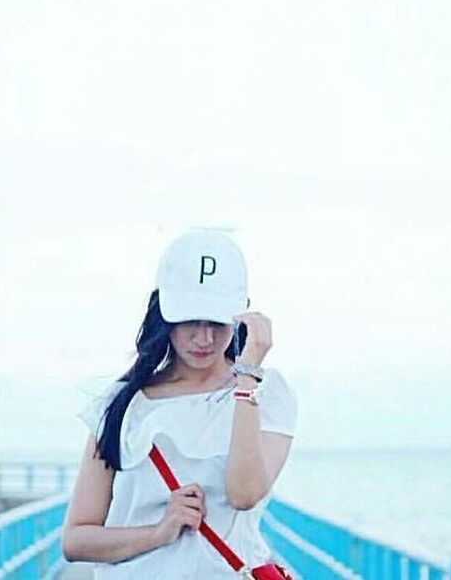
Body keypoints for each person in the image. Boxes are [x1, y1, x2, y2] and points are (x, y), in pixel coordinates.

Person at [61, 229, 298, 578]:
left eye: (217, 322)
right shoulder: (122, 405)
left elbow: (243, 493)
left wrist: (247, 376)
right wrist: (159, 532)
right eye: (189, 320)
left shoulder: (268, 392)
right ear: (164, 314)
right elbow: (76, 539)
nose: (203, 338)